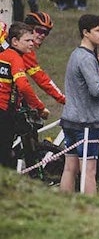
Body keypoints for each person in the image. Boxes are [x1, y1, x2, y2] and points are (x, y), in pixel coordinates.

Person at [0, 23, 49, 169]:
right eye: (27, 40)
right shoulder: (15, 58)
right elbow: (23, 86)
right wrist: (40, 107)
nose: (32, 44)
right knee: (4, 157)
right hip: (4, 113)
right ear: (15, 41)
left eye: (32, 40)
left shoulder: (3, 55)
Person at [19, 12, 67, 109]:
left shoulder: (23, 48)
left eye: (46, 32)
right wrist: (63, 99)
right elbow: (41, 79)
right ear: (29, 29)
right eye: (39, 31)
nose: (43, 35)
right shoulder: (24, 51)